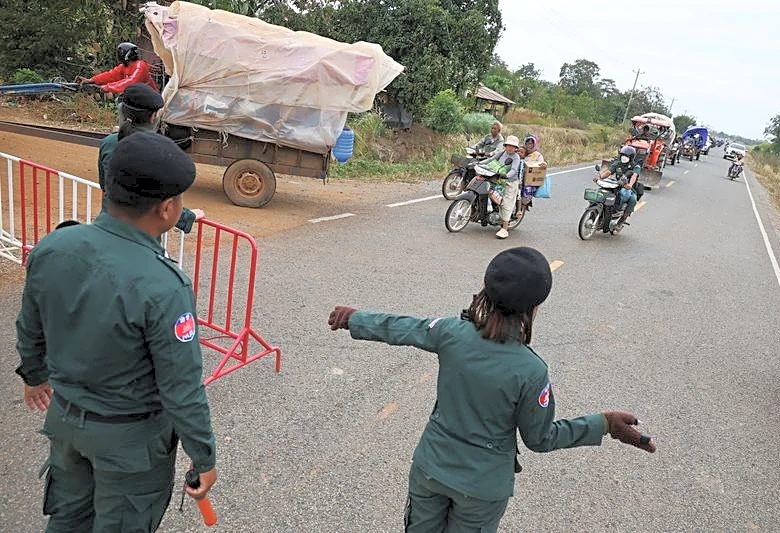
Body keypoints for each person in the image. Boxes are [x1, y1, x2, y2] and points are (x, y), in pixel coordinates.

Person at [328, 246, 656, 533]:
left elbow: (403, 328)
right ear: (534, 307)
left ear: (486, 290)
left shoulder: (451, 333)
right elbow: (540, 439)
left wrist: (354, 318)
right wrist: (603, 423)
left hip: (430, 469)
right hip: (482, 489)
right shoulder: (532, 370)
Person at [15, 132, 218, 531]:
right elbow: (181, 387)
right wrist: (203, 457)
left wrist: (34, 375)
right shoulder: (165, 285)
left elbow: (30, 324)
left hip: (66, 422)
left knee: (67, 520)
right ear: (167, 208)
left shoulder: (55, 246)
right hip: (129, 444)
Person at [98, 83, 204, 233]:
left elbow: (105, 186)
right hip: (140, 232)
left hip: (106, 226)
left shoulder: (108, 143)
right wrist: (188, 217)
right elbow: (158, 199)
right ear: (153, 117)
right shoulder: (160, 151)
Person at [479, 135, 523, 239]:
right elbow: (491, 159)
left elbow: (514, 170)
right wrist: (479, 163)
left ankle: (505, 229)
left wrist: (506, 176)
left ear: (516, 148)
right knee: (487, 190)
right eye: (508, 145)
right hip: (498, 179)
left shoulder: (516, 157)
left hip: (510, 183)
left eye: (512, 146)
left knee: (506, 204)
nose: (510, 148)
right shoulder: (502, 153)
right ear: (505, 145)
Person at [77, 42, 159, 95]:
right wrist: (91, 80)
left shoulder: (140, 65)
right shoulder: (125, 66)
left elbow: (131, 81)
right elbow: (111, 75)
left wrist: (107, 87)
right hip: (139, 96)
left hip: (150, 98)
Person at [595, 145, 641, 231]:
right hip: (617, 185)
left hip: (629, 189)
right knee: (604, 192)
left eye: (626, 156)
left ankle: (621, 221)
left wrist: (630, 185)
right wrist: (600, 177)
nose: (624, 157)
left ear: (631, 157)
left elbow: (634, 176)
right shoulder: (618, 163)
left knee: (633, 200)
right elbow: (609, 172)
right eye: (623, 155)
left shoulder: (636, 166)